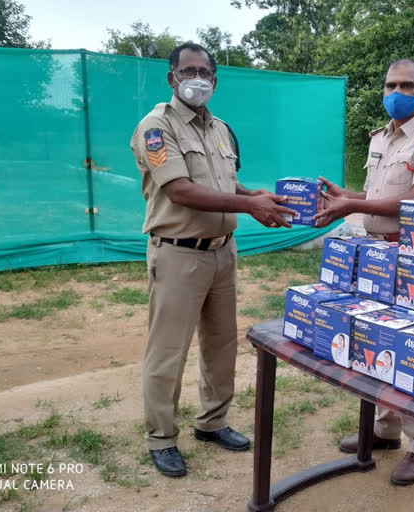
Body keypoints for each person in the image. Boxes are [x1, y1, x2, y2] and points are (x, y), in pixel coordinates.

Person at [130, 43, 296, 478]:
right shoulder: (156, 127)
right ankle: (162, 438)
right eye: (188, 71)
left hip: (223, 252)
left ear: (215, 80)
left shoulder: (219, 128)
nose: (197, 78)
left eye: (204, 71)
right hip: (178, 254)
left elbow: (228, 181)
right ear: (172, 78)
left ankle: (212, 422)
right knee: (169, 350)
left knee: (221, 345)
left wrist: (256, 195)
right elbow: (180, 191)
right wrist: (251, 208)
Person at [315, 58, 414, 486]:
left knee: (413, 347)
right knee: (377, 340)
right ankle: (386, 430)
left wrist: (352, 206)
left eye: (406, 85)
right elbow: (380, 194)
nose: (396, 92)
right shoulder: (381, 138)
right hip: (375, 255)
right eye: (390, 84)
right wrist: (349, 195)